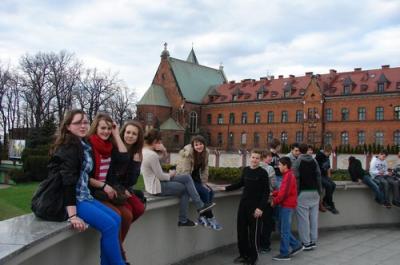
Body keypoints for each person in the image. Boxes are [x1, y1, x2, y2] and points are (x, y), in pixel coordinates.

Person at [48, 109, 126, 265]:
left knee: (117, 218)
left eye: (85, 122)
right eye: (78, 123)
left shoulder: (82, 144)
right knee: (110, 226)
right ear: (68, 126)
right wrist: (72, 215)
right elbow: (68, 182)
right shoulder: (69, 147)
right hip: (74, 199)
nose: (83, 126)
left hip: (84, 195)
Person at [141, 129, 215, 227]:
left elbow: (161, 160)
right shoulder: (151, 155)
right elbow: (161, 176)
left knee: (187, 178)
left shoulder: (145, 151)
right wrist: (171, 175)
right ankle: (184, 219)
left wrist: (164, 150)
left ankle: (199, 206)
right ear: (155, 142)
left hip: (155, 182)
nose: (161, 143)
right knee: (185, 189)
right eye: (160, 141)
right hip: (157, 186)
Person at [87, 113, 134, 263]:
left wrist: (116, 133)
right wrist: (104, 186)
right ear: (96, 128)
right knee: (116, 216)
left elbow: (124, 158)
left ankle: (112, 252)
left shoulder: (109, 146)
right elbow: (84, 177)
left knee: (127, 215)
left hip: (106, 190)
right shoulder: (89, 145)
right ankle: (120, 256)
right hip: (93, 191)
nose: (106, 131)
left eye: (109, 128)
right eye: (103, 128)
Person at [222, 149, 269, 265]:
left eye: (257, 158)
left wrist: (260, 208)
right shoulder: (246, 170)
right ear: (250, 157)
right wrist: (226, 188)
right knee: (241, 232)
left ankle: (253, 258)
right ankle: (243, 255)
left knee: (253, 234)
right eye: (253, 157)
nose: (254, 160)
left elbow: (266, 192)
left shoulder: (263, 173)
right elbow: (240, 183)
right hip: (243, 206)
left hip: (256, 208)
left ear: (260, 160)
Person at [176, 135, 222, 230]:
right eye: (196, 144)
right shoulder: (187, 154)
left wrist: (203, 183)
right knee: (205, 192)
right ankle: (210, 217)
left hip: (196, 178)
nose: (199, 146)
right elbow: (185, 174)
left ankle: (202, 216)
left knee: (210, 191)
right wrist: (194, 187)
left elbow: (205, 168)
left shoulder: (206, 153)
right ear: (193, 146)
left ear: (204, 144)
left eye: (200, 144)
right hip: (186, 179)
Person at [271, 157, 303, 261]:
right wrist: (273, 193)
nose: (278, 166)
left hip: (287, 206)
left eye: (280, 165)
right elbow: (282, 190)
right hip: (286, 206)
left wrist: (274, 201)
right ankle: (296, 245)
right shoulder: (287, 175)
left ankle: (284, 253)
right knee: (282, 228)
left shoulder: (289, 175)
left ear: (285, 165)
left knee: (284, 230)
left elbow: (284, 193)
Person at [292, 143, 322, 250]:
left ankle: (306, 243)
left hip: (302, 193)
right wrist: (320, 192)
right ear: (308, 150)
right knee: (314, 219)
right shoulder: (314, 161)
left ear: (299, 151)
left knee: (303, 220)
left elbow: (294, 179)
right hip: (315, 193)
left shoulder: (297, 162)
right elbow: (319, 177)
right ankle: (313, 240)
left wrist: (296, 193)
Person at [119, 120, 146, 221]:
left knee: (139, 209)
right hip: (115, 186)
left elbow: (132, 181)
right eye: (128, 132)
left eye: (134, 134)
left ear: (138, 137)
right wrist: (121, 189)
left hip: (126, 187)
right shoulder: (116, 149)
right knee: (128, 212)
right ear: (123, 133)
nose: (130, 136)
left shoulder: (136, 153)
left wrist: (135, 164)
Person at [258, 150, 275, 253]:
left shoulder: (255, 167)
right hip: (267, 200)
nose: (271, 159)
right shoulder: (269, 168)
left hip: (257, 200)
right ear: (264, 157)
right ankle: (265, 246)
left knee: (258, 224)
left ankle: (257, 244)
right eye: (269, 157)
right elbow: (273, 185)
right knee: (267, 223)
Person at [315, 144, 339, 214]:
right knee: (328, 186)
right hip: (319, 176)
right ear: (326, 151)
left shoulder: (327, 157)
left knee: (333, 185)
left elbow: (328, 167)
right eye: (330, 152)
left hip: (324, 176)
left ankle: (325, 201)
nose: (330, 154)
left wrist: (329, 177)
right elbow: (316, 169)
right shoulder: (319, 156)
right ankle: (330, 204)